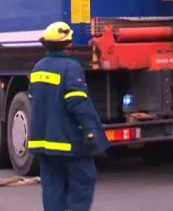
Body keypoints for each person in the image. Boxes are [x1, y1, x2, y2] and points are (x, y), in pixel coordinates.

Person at [29, 22, 108, 211]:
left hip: (45, 144)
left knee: (52, 189)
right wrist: (90, 132)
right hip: (70, 142)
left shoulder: (38, 68)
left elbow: (34, 100)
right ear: (69, 43)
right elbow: (78, 104)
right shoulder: (71, 67)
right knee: (82, 185)